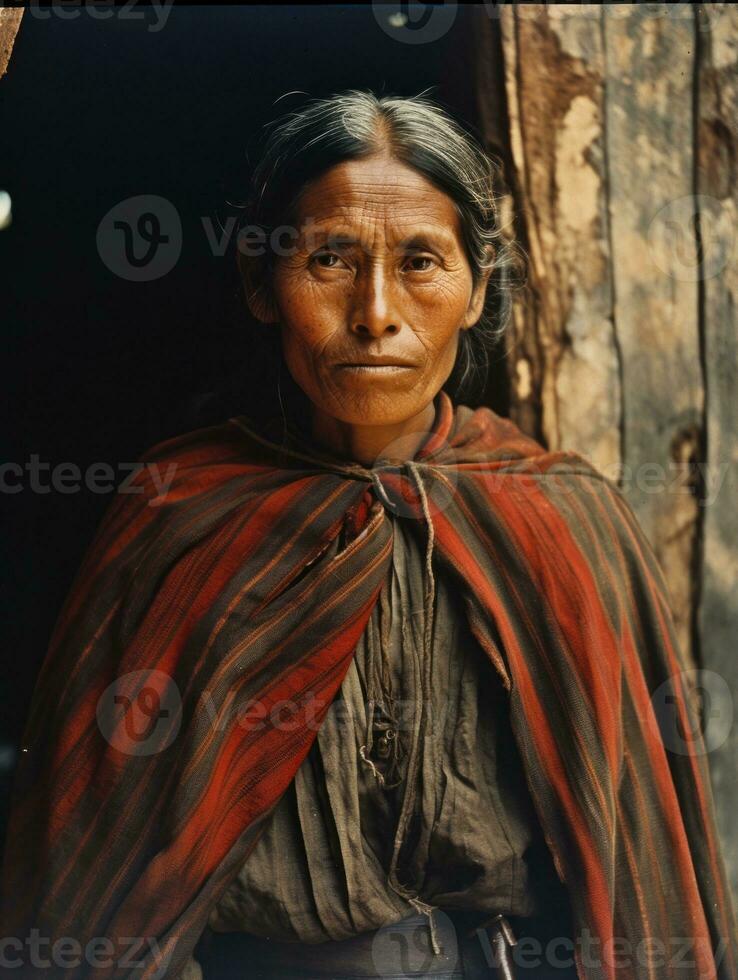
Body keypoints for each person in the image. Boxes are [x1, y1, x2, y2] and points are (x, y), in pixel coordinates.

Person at [1, 90, 735, 980]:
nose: (376, 312)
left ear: (477, 291)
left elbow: (635, 878)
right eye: (331, 260)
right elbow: (92, 879)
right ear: (260, 286)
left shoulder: (565, 520)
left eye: (422, 261)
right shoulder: (181, 516)